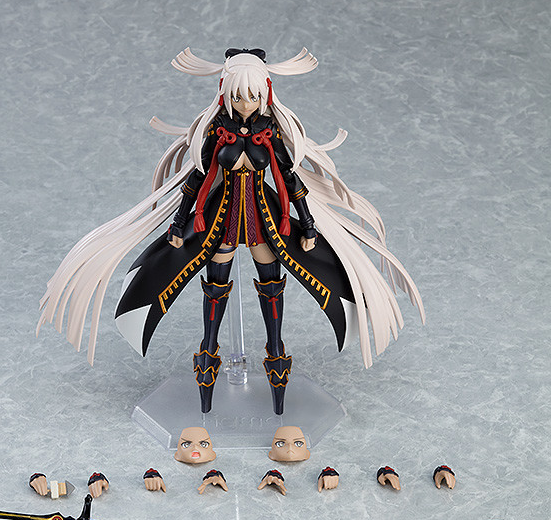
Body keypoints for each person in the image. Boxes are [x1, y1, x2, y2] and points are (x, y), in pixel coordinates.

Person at [38, 47, 425, 415]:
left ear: (264, 93)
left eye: (252, 97)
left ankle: (276, 355)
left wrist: (308, 223)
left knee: (271, 288)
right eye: (238, 97)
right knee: (215, 289)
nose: (244, 104)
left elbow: (291, 179)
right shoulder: (216, 132)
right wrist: (178, 222)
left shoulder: (269, 132)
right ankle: (208, 357)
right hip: (219, 222)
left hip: (264, 222)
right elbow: (195, 180)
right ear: (225, 92)